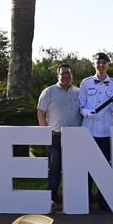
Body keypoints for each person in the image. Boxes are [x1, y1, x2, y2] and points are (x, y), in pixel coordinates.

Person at [78, 52, 113, 211]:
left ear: (108, 65)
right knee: (87, 166)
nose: (101, 65)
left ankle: (104, 200)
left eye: (104, 62)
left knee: (104, 166)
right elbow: (81, 105)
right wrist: (86, 112)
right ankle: (86, 199)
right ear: (93, 64)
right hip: (88, 130)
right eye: (98, 62)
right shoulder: (86, 83)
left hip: (105, 131)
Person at [37, 64, 82, 211]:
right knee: (54, 168)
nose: (66, 76)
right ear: (58, 75)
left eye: (68, 73)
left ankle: (74, 198)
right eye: (63, 73)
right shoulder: (48, 92)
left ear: (72, 75)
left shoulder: (79, 92)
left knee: (74, 168)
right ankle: (52, 199)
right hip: (54, 136)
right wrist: (44, 132)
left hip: (75, 137)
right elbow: (41, 112)